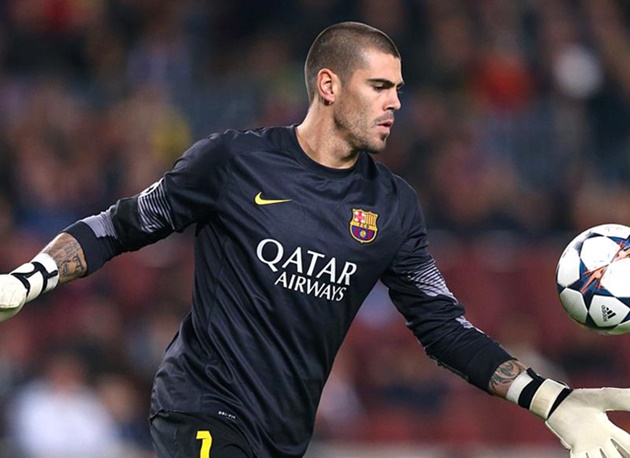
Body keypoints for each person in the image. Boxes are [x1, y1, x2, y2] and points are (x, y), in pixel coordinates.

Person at [0, 21, 629, 458]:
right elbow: (120, 225)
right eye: (380, 87)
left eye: (399, 89)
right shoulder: (232, 163)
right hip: (202, 409)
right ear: (329, 86)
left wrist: (550, 400)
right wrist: (28, 280)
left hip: (285, 435)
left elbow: (443, 329)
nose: (396, 103)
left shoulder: (393, 207)